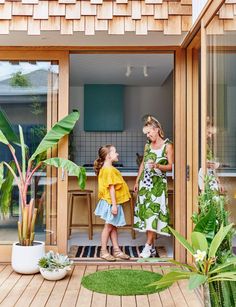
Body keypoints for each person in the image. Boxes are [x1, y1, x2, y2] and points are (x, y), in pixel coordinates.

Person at [133, 116, 174, 258]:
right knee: (147, 215)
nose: (148, 136)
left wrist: (157, 165)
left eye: (149, 133)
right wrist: (138, 181)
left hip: (158, 185)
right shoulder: (147, 145)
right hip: (146, 184)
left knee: (153, 214)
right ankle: (151, 246)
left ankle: (148, 246)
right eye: (147, 134)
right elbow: (143, 164)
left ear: (157, 130)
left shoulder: (168, 145)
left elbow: (170, 166)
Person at [94, 145, 131, 261]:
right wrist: (114, 206)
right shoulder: (109, 169)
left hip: (111, 202)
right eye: (115, 152)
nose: (117, 154)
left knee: (113, 227)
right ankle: (103, 251)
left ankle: (116, 250)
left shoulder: (107, 168)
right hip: (111, 203)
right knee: (108, 227)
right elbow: (111, 189)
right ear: (109, 156)